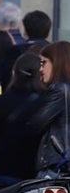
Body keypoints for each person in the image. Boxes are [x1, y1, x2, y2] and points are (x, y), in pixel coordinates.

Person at [0, 54, 45, 185]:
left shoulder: (0, 102)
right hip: (32, 176)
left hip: (0, 171)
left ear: (14, 73)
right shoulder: (45, 104)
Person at [33, 41, 70, 179]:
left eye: (44, 63)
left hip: (57, 167)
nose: (40, 69)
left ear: (58, 63)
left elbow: (34, 124)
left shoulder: (59, 90)